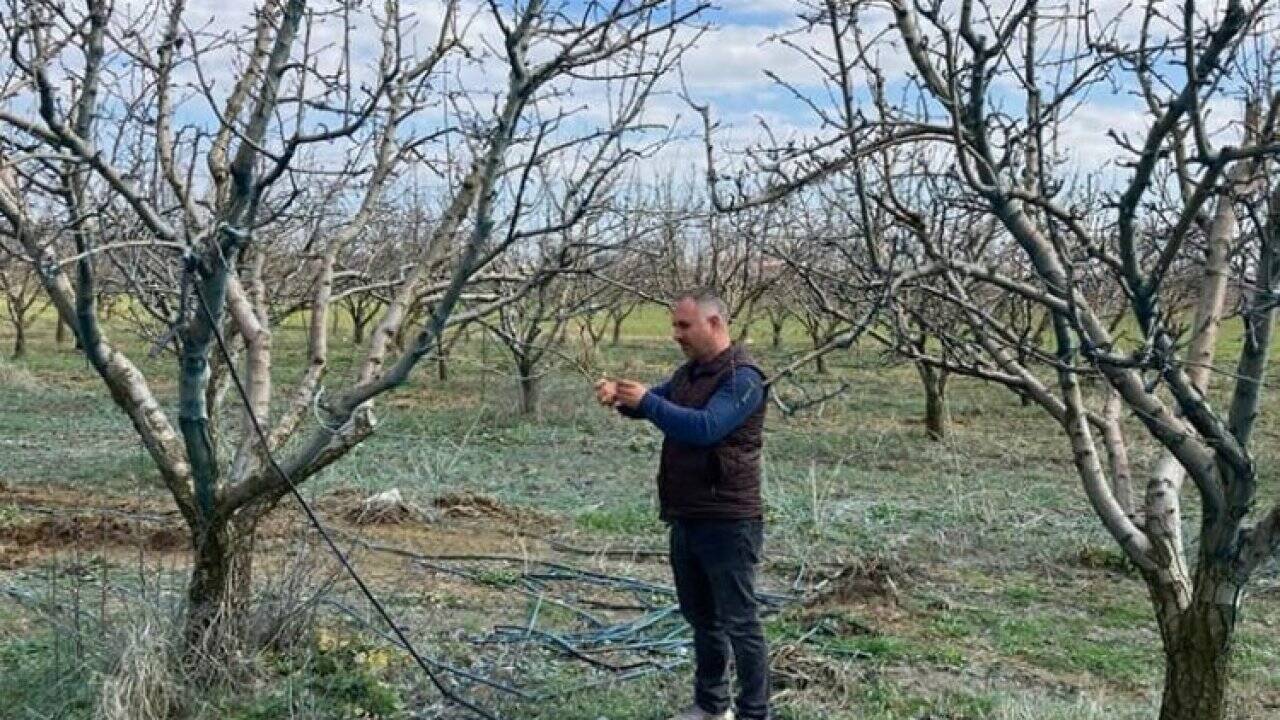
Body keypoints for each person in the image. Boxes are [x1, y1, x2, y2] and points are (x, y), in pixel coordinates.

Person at [595, 289, 770, 720]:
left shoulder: (743, 379)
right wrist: (620, 395)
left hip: (729, 521)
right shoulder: (690, 373)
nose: (676, 335)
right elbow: (656, 404)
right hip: (688, 516)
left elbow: (706, 427)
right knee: (702, 618)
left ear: (714, 324)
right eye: (675, 325)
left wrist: (648, 403)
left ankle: (755, 713)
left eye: (683, 326)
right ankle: (711, 708)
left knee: (740, 623)